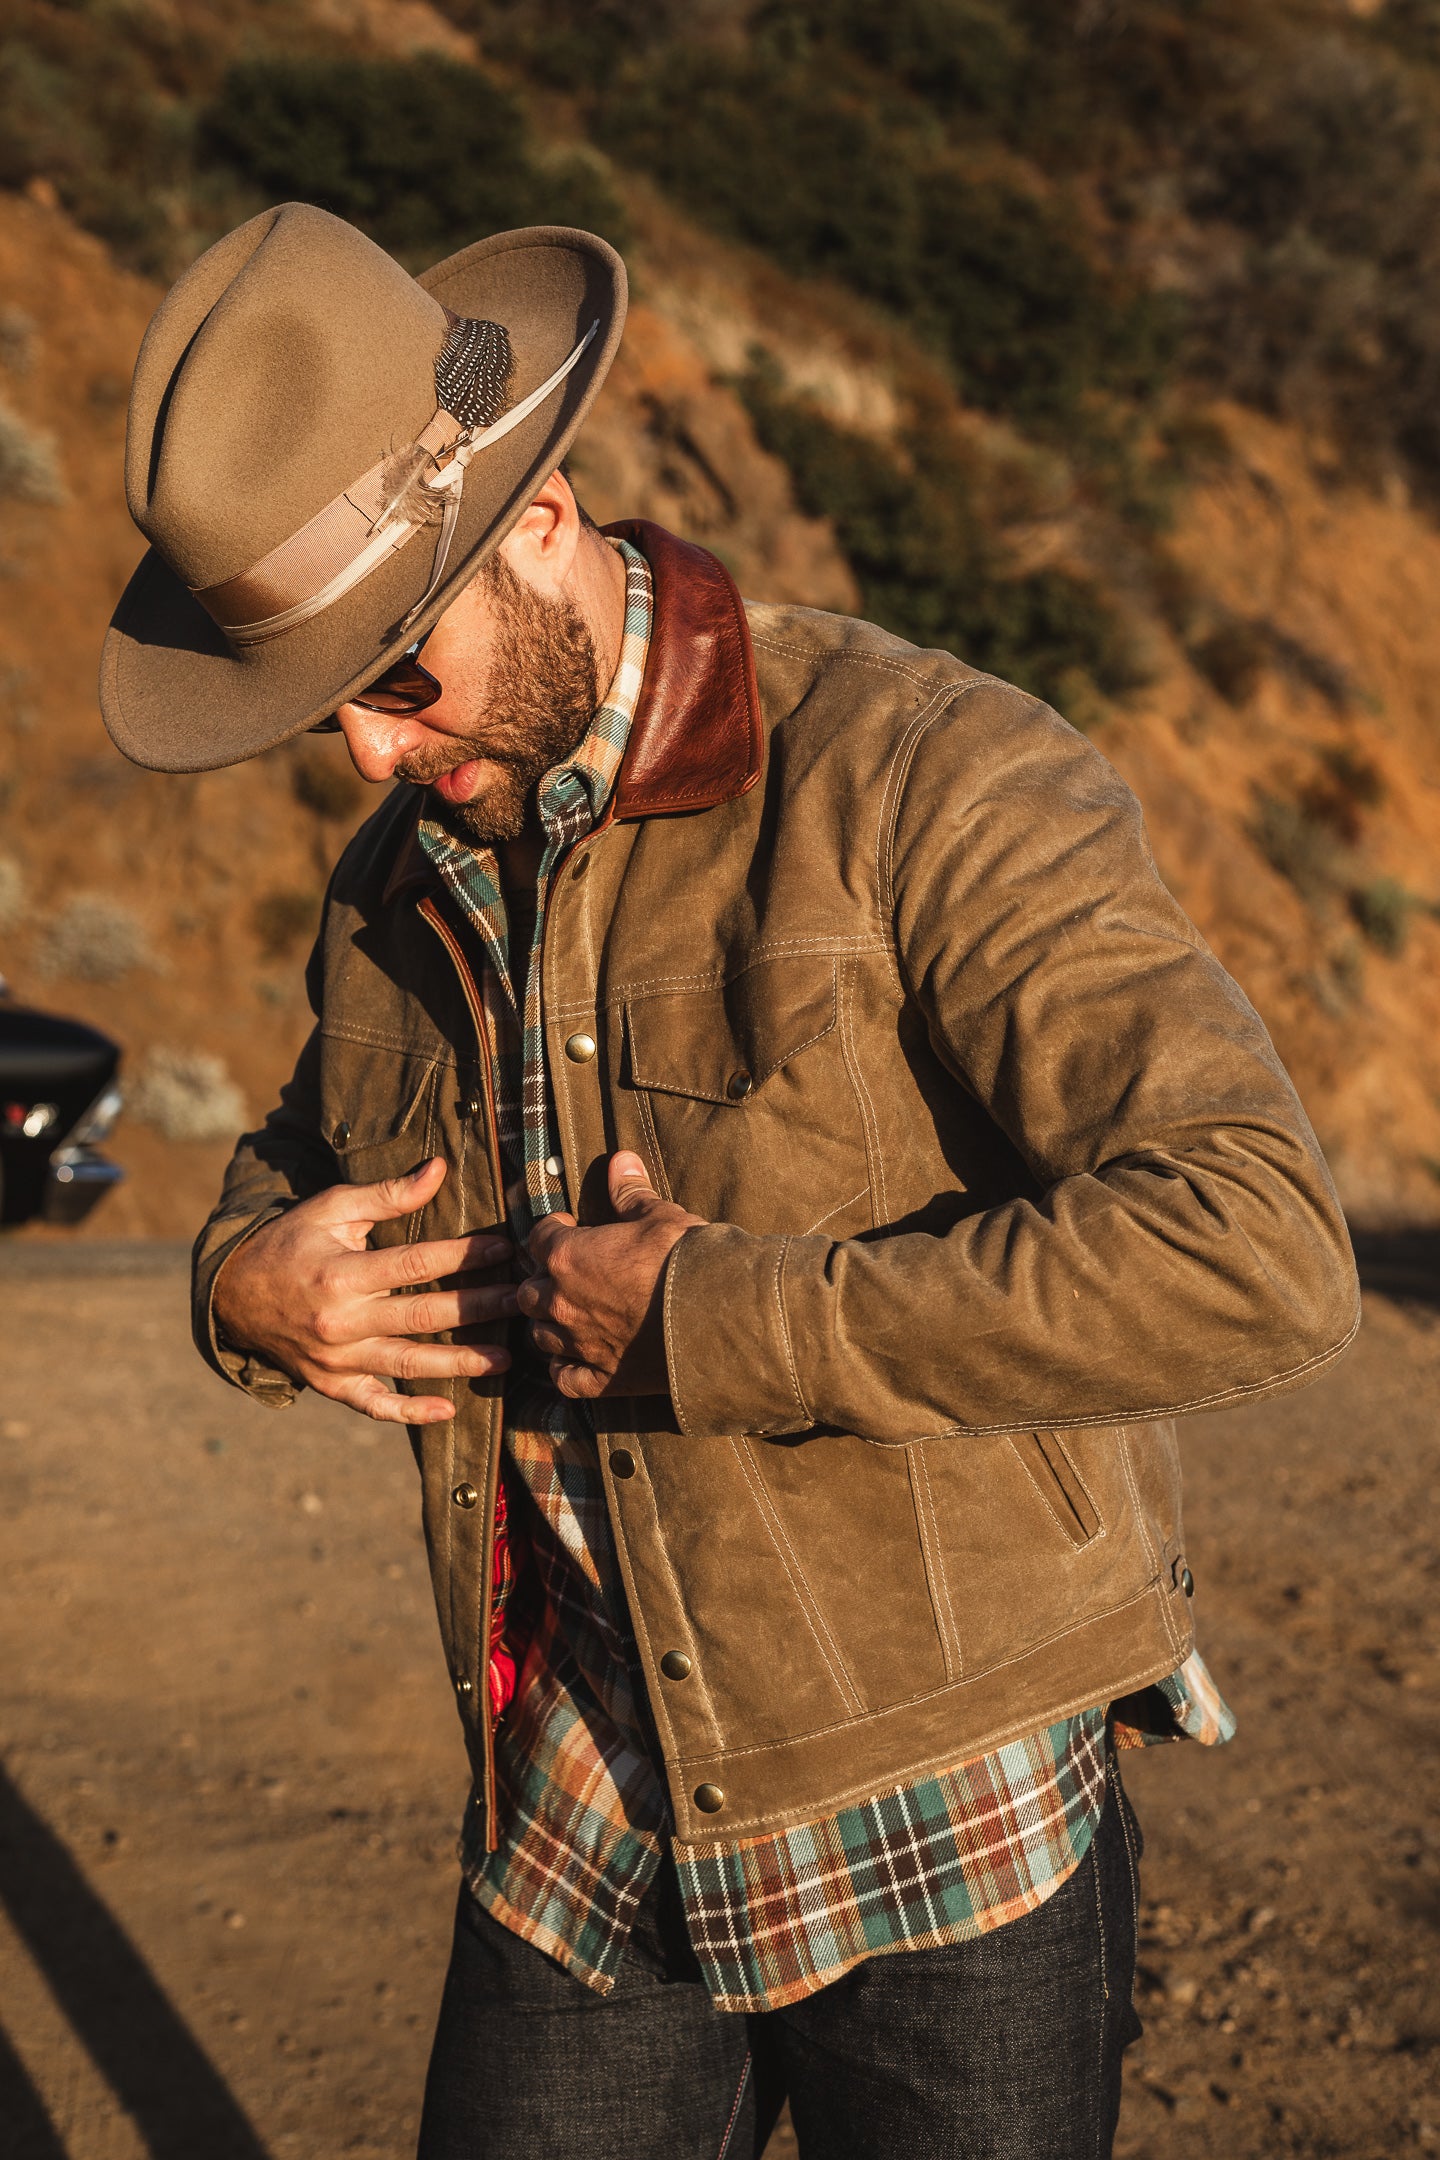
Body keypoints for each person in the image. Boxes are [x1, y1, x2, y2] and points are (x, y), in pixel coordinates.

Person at [102, 204, 1359, 2160]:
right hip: (575, 1811)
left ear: (538, 517)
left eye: (397, 677)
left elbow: (1259, 1246)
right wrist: (243, 1274)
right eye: (312, 707)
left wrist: (715, 1315)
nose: (361, 753)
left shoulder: (922, 771)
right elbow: (296, 1145)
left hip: (944, 1826)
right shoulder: (394, 877)